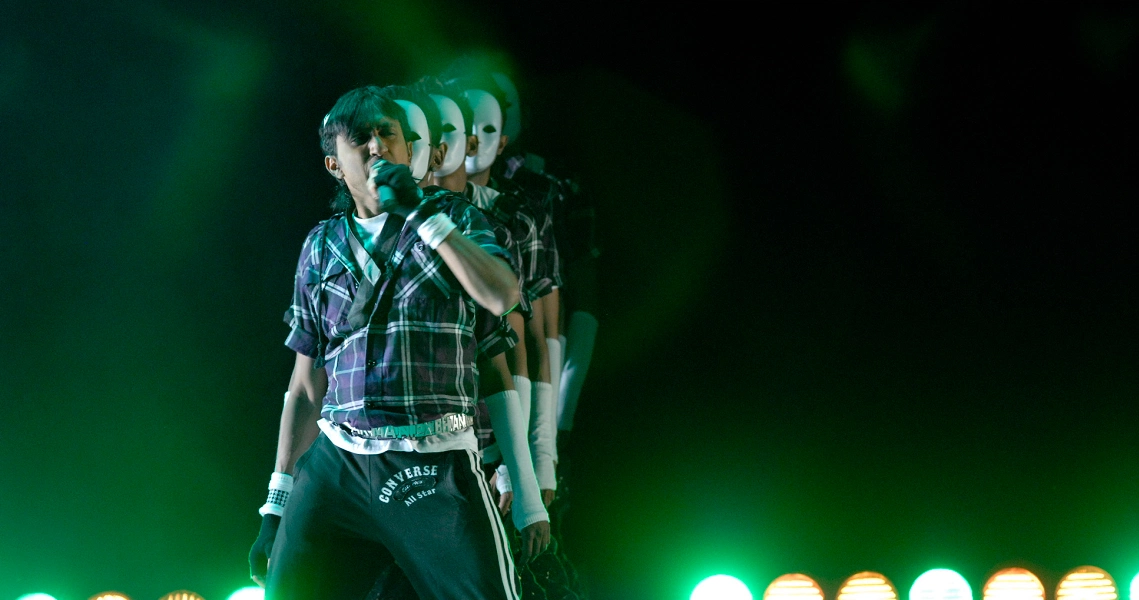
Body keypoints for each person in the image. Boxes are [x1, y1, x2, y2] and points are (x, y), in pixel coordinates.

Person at [246, 84, 549, 600]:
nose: (376, 147)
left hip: (431, 460)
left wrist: (529, 498)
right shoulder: (320, 246)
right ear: (334, 164)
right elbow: (304, 387)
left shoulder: (458, 219)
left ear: (410, 150)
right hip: (337, 463)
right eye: (359, 138)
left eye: (387, 134)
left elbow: (502, 296)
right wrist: (277, 503)